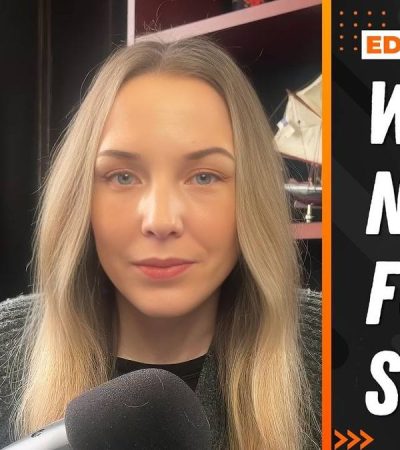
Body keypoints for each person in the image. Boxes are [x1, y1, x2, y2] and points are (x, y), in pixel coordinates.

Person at [0, 37, 320, 449]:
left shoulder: (339, 350)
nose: (160, 221)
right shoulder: (5, 345)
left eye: (204, 177)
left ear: (252, 194)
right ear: (79, 197)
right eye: (122, 177)